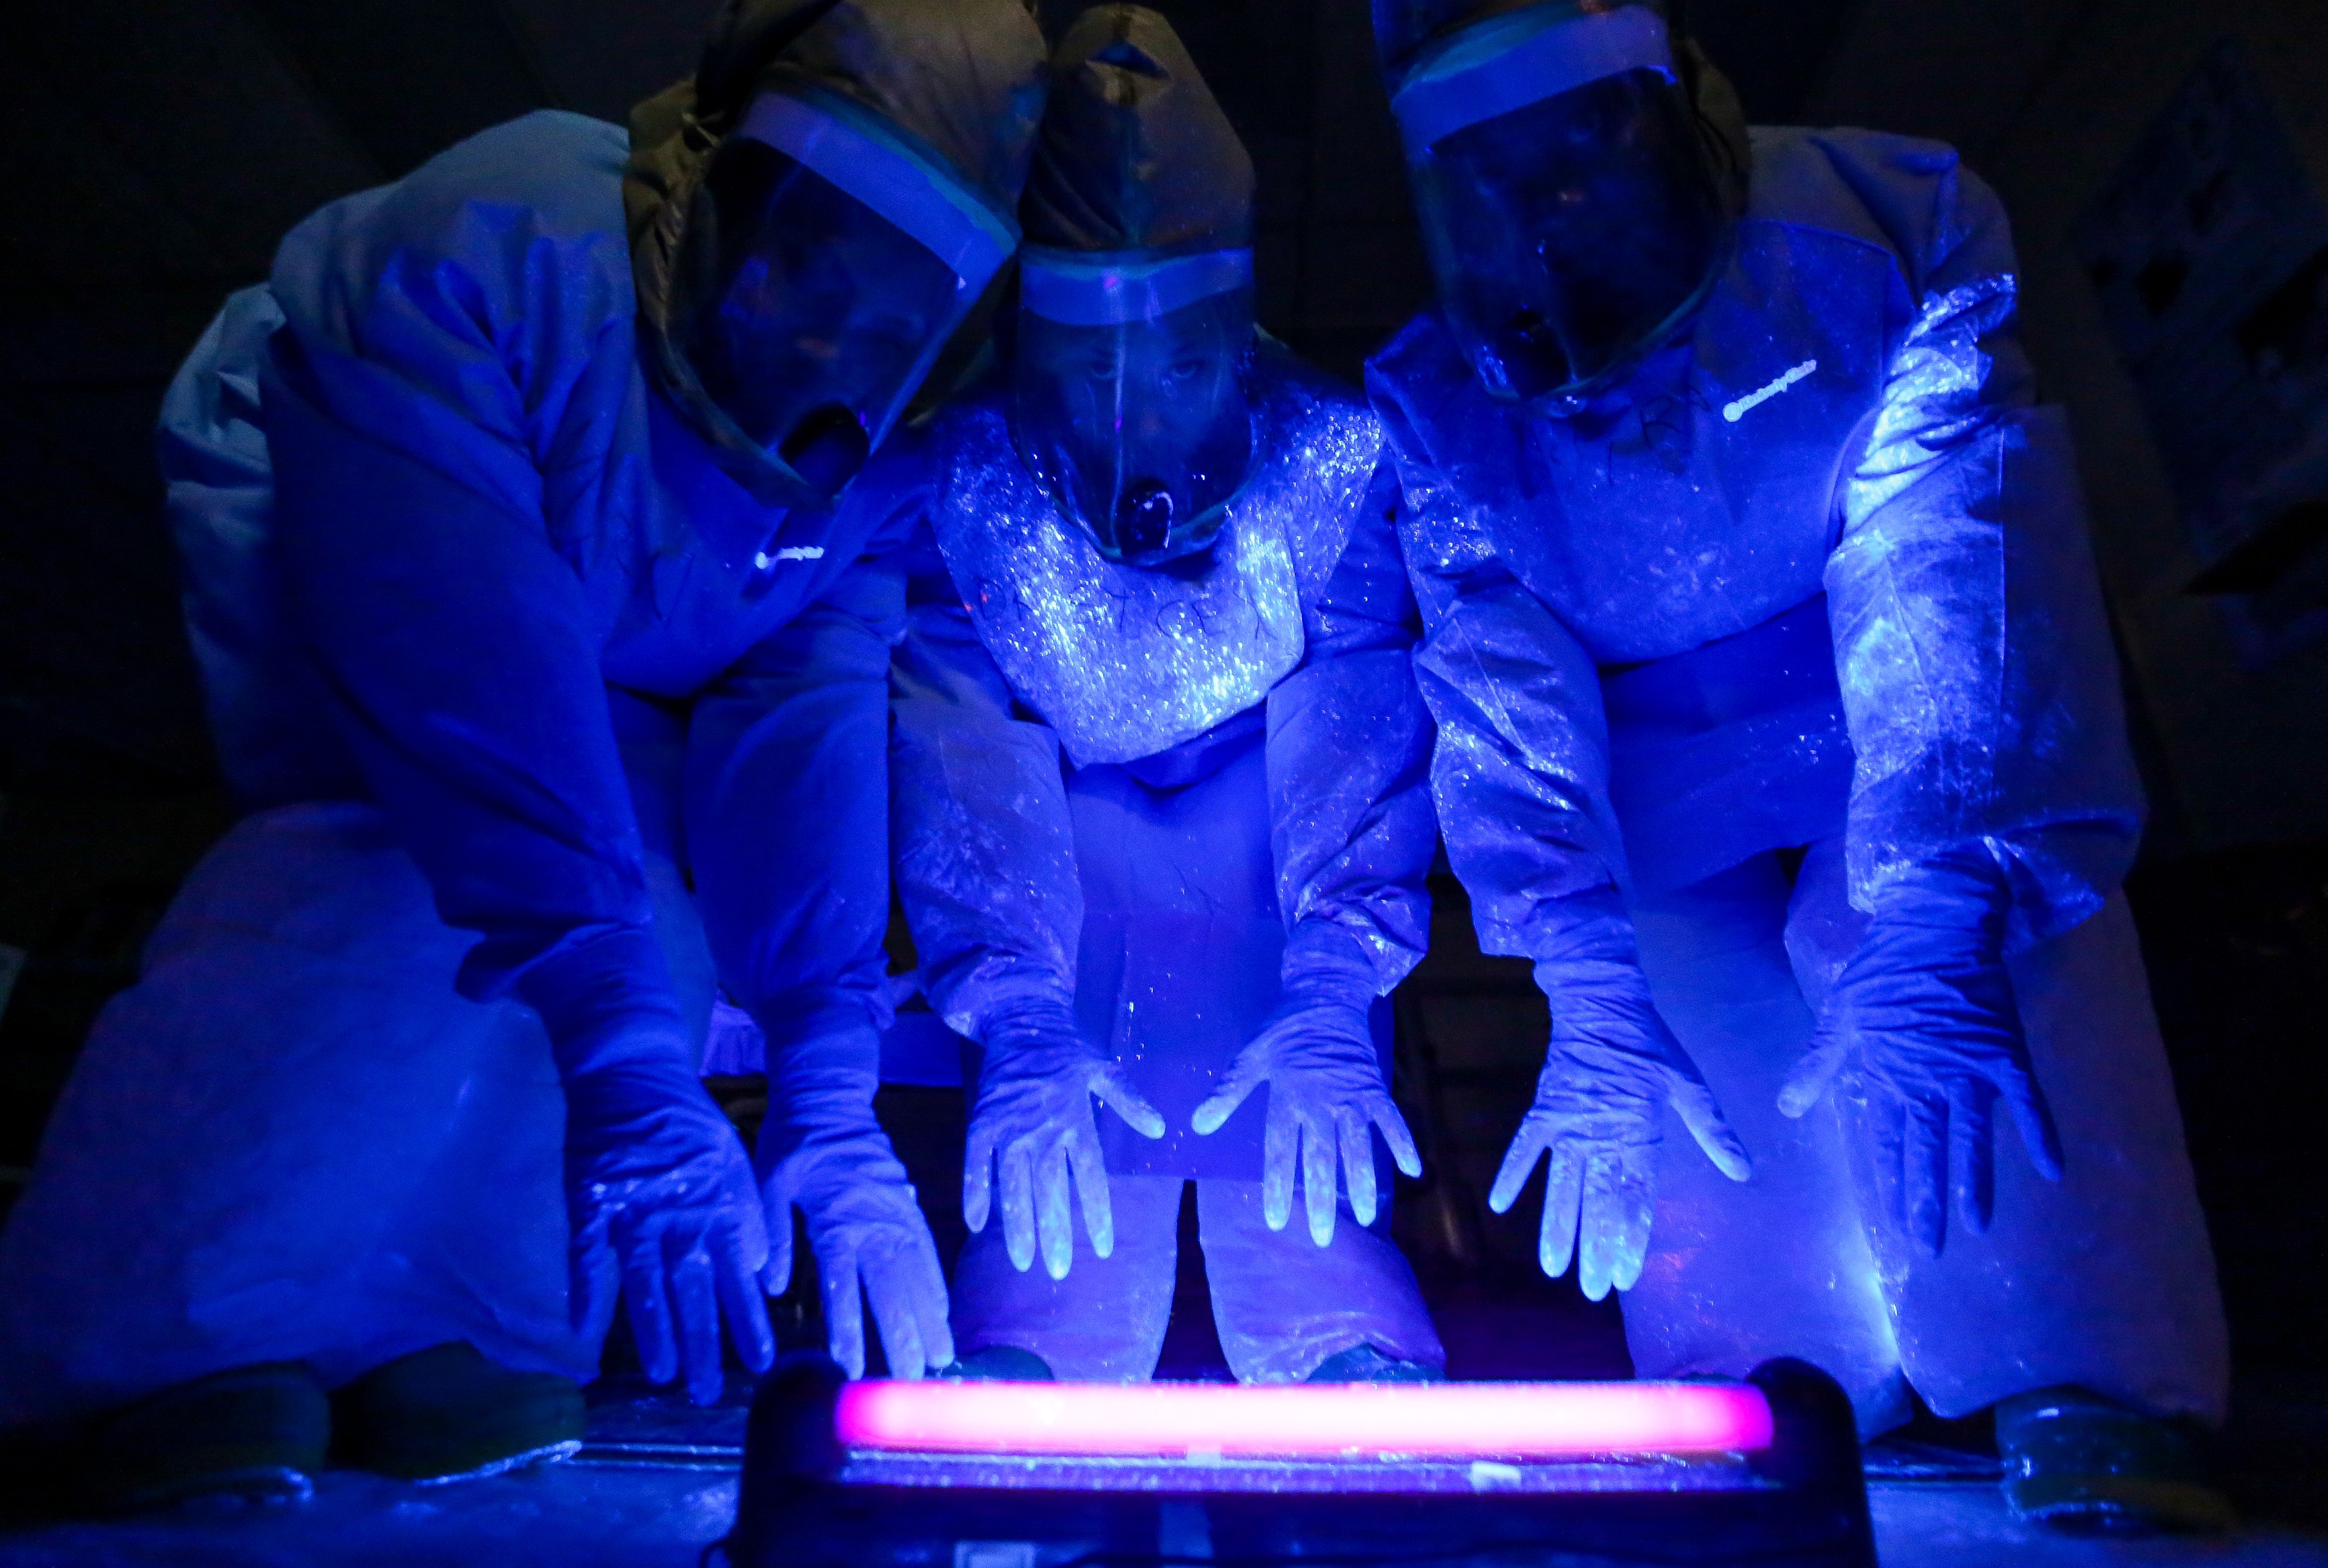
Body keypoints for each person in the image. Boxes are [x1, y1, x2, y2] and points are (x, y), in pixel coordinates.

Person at [0, 0, 1044, 1509]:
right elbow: (460, 648)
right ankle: (169, 1336)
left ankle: (450, 1316)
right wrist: (623, 1056)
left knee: (648, 909)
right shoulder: (503, 247)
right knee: (384, 874)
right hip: (364, 525)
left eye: (891, 302)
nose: (824, 332)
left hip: (623, 638)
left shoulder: (895, 447)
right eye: (806, 249)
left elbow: (799, 713)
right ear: (723, 169)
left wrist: (822, 1070)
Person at [1365, 0, 2231, 1531]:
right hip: (1647, 780)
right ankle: (1781, 1380)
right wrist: (1579, 959)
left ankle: (2082, 1374)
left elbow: (1952, 550)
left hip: (1879, 712)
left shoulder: (1880, 226)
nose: (1542, 215)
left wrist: (1940, 893)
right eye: (1490, 180)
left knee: (1977, 949)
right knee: (1690, 1046)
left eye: (1573, 156)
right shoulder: (1441, 394)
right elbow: (1501, 670)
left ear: (1664, 102)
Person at [871, 5, 1445, 1384]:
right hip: (1057, 849)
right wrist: (1015, 1004)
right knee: (1080, 946)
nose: (1132, 418)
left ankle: (1322, 1294)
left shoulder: (1333, 453)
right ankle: (1043, 1311)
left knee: (1254, 937)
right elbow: (960, 743)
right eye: (1088, 372)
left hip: (1277, 834)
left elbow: (1355, 717)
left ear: (1231, 343)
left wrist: (1337, 974)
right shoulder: (961, 475)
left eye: (1182, 367)